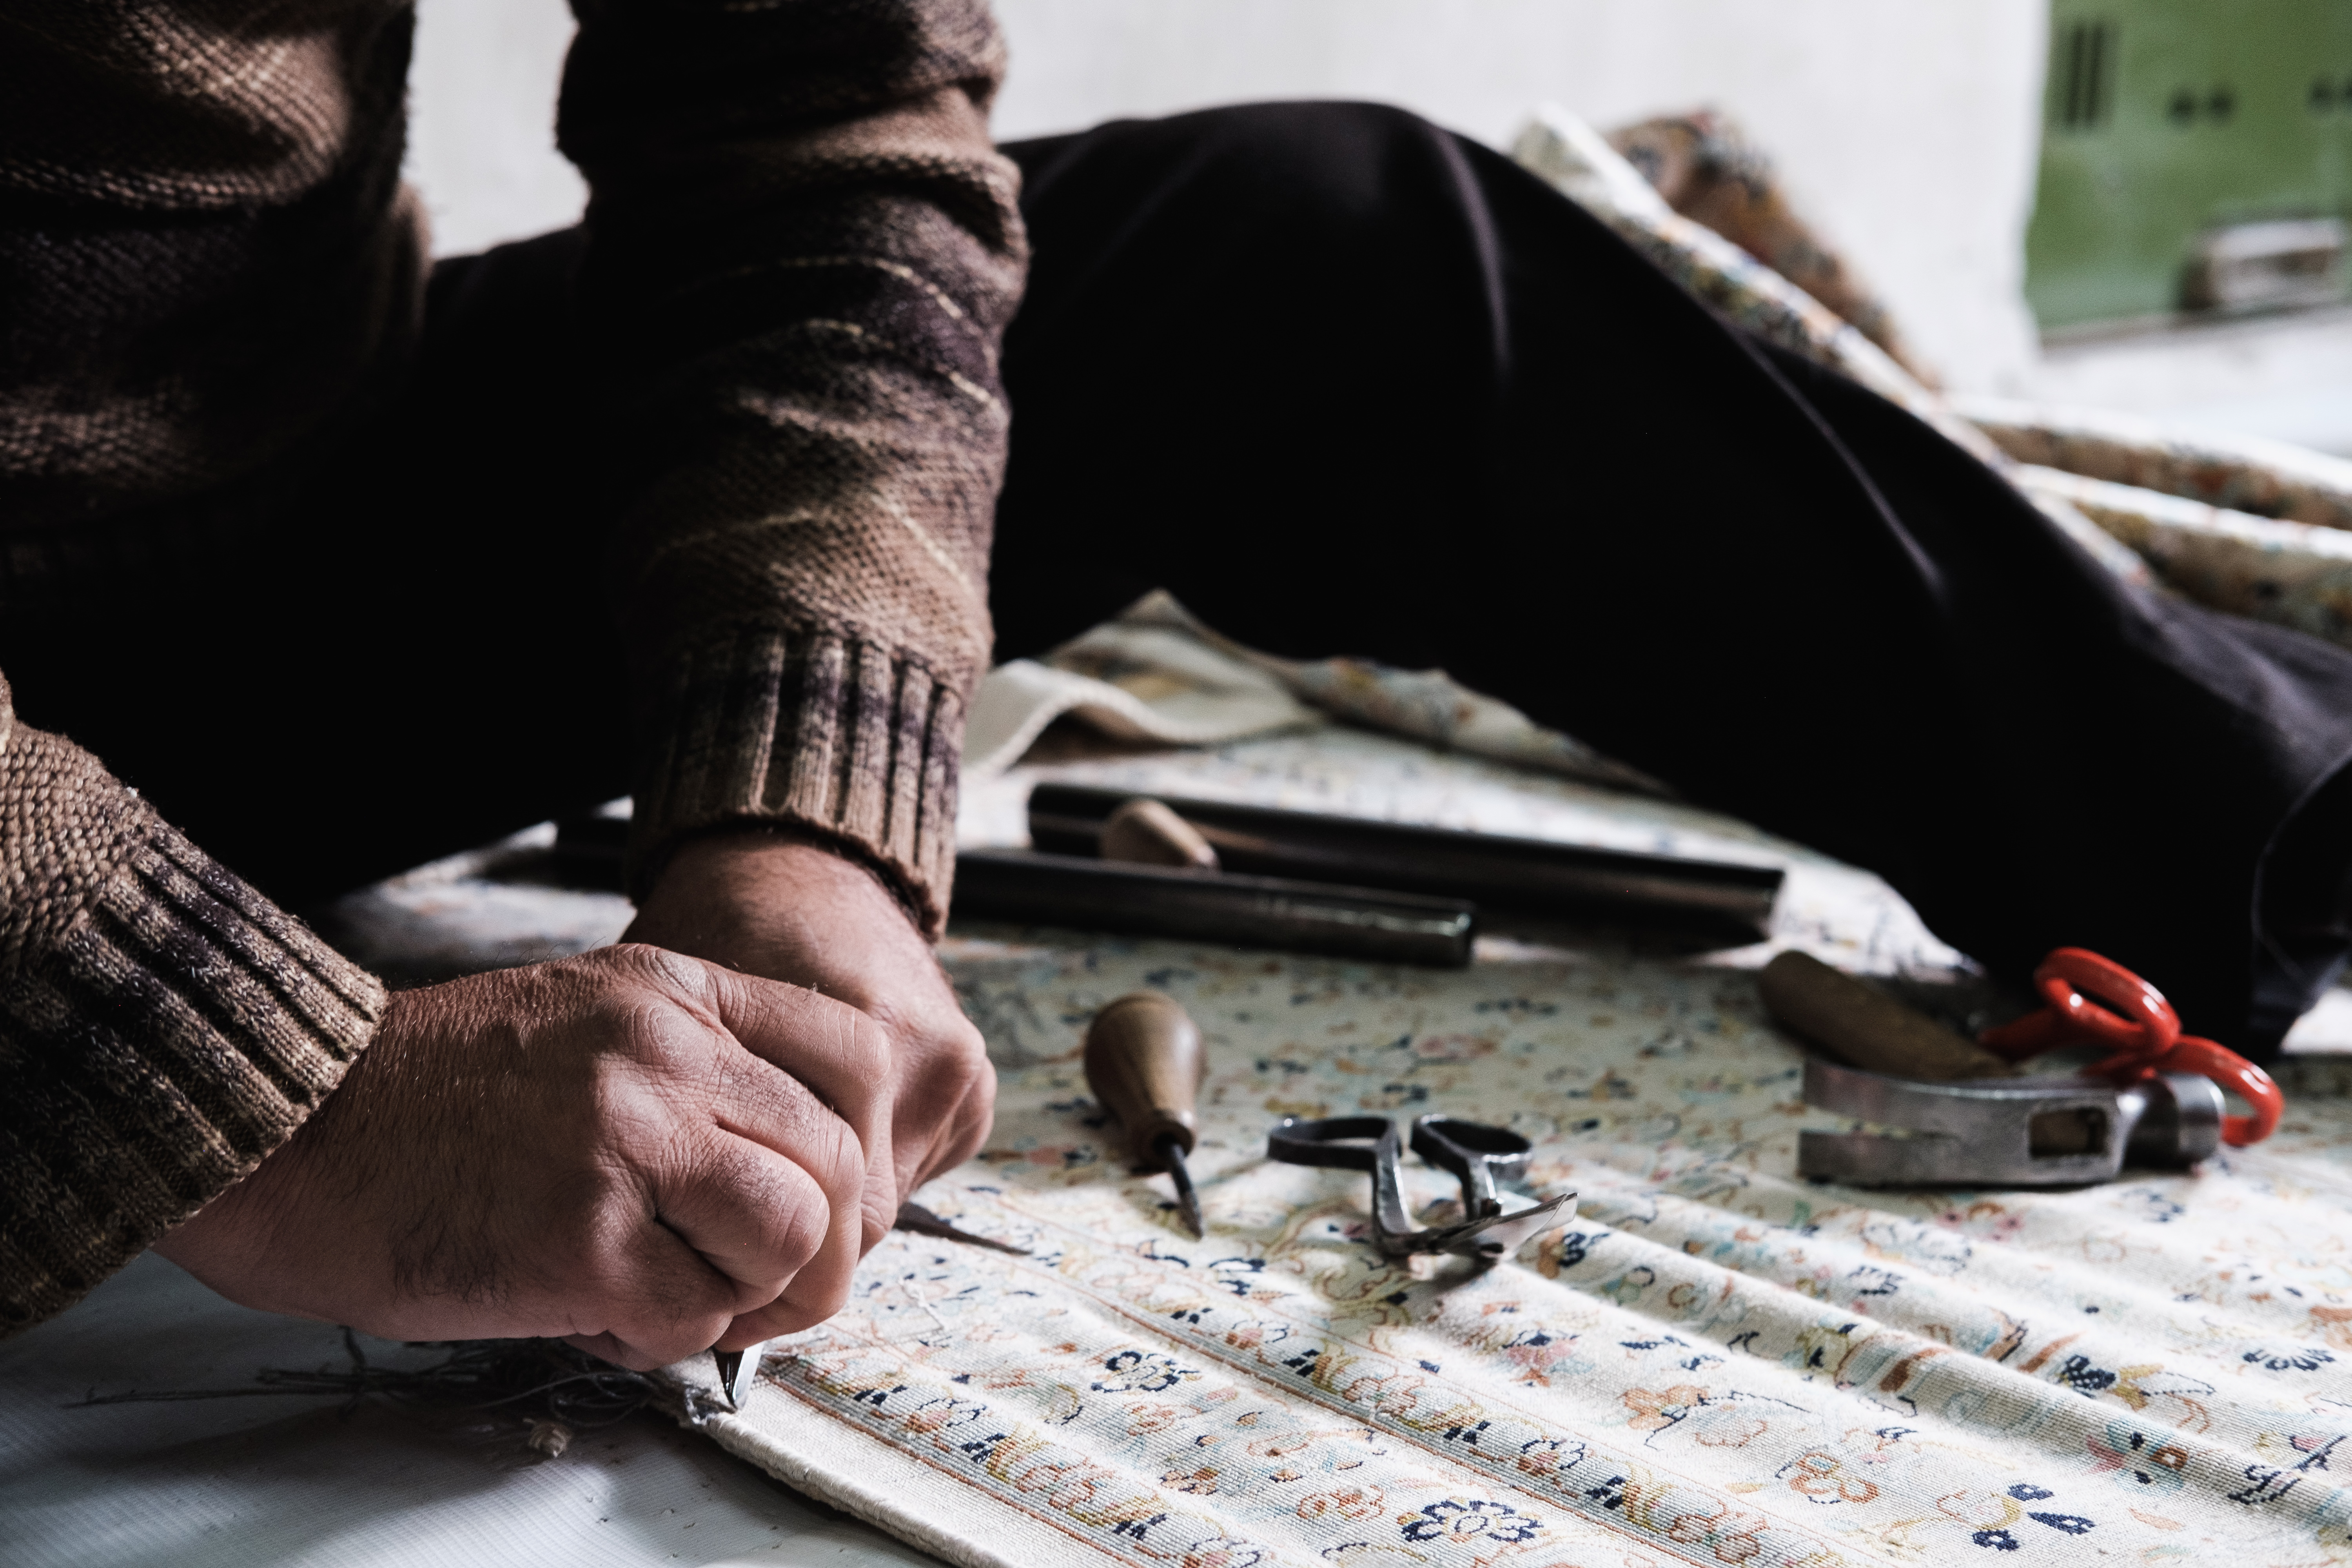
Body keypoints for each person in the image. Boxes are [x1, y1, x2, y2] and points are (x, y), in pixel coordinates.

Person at [6, 0, 2350, 1366]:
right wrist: (215, 1064)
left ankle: (2279, 853)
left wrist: (807, 807)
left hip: (267, 534)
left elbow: (810, 165)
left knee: (1326, 247)